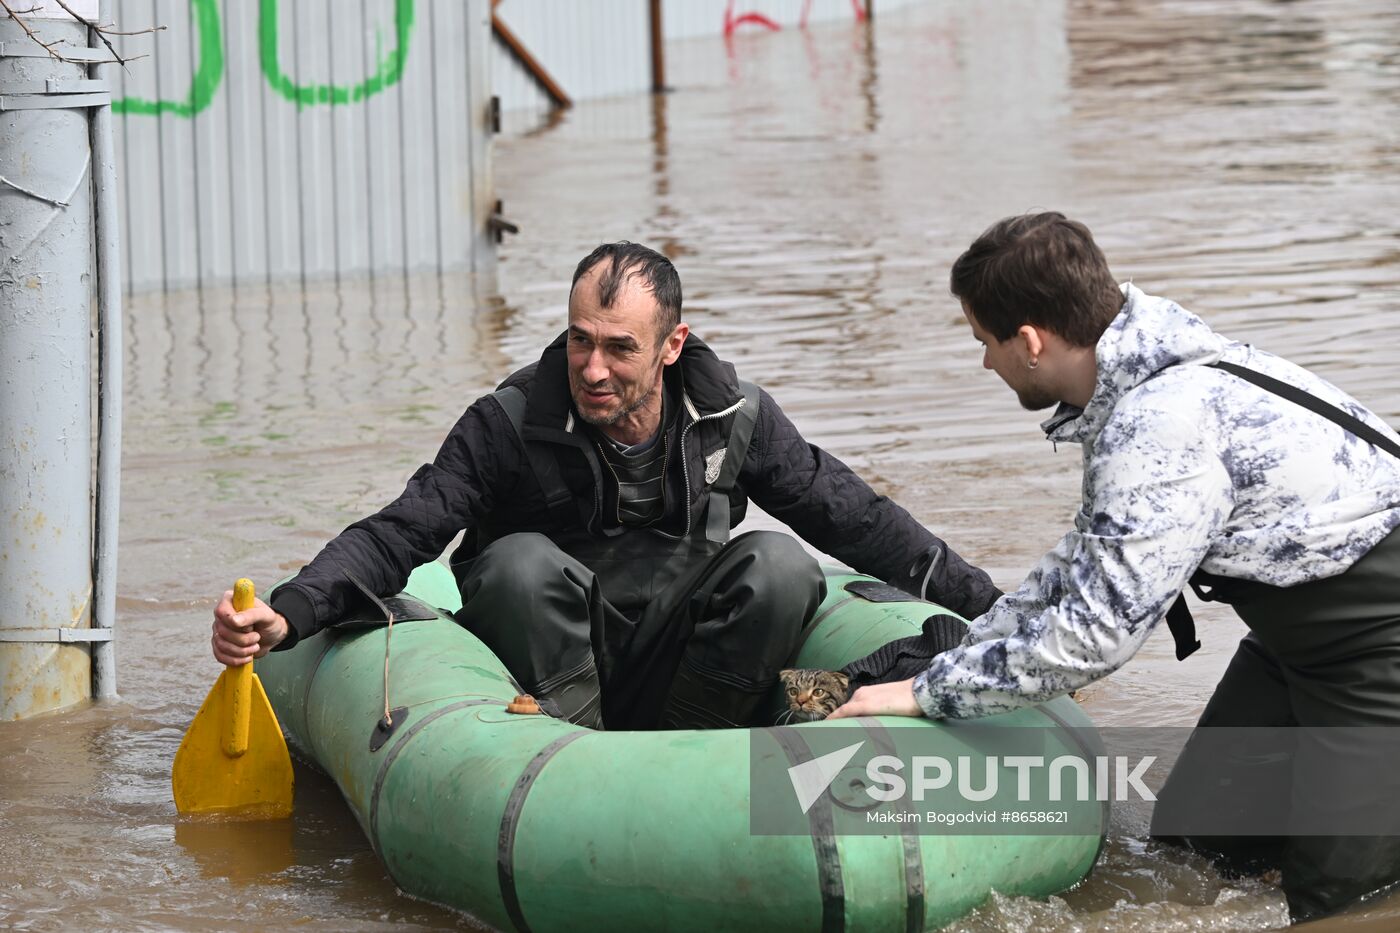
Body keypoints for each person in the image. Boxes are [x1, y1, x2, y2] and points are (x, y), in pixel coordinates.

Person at [830, 212, 1400, 921]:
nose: (985, 364)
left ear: (1030, 342)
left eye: (984, 342)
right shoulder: (1146, 379)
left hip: (1378, 646)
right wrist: (957, 651)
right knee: (1198, 847)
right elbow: (1082, 559)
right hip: (1302, 638)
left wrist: (930, 695)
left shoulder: (1158, 426)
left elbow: (1093, 639)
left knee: (1337, 904)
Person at [211, 241, 1000, 732]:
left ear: (671, 346)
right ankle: (580, 751)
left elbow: (855, 518)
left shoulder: (734, 419)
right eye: (580, 340)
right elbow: (403, 529)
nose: (592, 368)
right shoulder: (509, 421)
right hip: (544, 669)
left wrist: (997, 609)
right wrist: (293, 609)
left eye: (620, 348)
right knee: (518, 563)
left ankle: (695, 751)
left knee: (781, 563)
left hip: (683, 667)